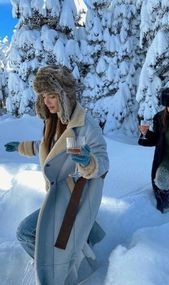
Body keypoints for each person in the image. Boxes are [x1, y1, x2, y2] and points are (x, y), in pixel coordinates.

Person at [4, 65, 109, 284]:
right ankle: (65, 256)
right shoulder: (52, 122)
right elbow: (49, 149)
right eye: (43, 96)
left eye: (52, 95)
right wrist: (23, 147)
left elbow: (103, 162)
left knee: (26, 232)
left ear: (65, 95)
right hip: (56, 197)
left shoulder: (84, 125)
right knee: (50, 240)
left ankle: (54, 266)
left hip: (73, 200)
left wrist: (89, 162)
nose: (47, 102)